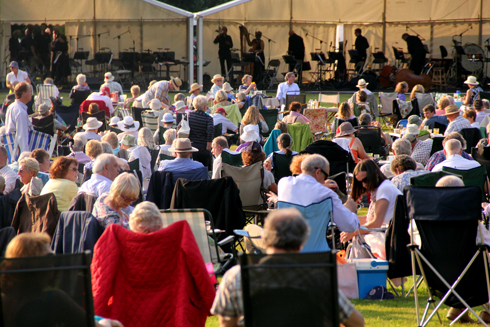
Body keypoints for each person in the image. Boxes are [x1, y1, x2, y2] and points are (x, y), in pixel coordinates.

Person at [211, 207, 365, 327]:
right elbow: (357, 322)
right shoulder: (318, 279)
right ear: (302, 243)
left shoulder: (236, 277)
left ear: (264, 238)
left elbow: (226, 323)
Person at [4, 233, 124, 327]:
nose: (54, 262)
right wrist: (106, 322)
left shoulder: (5, 300)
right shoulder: (53, 299)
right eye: (50, 257)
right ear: (40, 265)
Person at [341, 159, 402, 260]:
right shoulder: (381, 188)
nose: (363, 185)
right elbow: (370, 219)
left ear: (376, 174)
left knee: (358, 236)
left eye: (365, 180)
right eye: (359, 182)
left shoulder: (384, 189)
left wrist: (354, 232)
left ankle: (358, 271)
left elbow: (376, 223)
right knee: (357, 233)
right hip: (388, 233)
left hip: (391, 237)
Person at [177, 96, 214, 170]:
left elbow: (179, 128)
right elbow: (210, 132)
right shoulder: (208, 118)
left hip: (189, 147)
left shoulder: (188, 116)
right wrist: (209, 145)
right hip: (203, 148)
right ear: (205, 107)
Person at [5, 82, 33, 153]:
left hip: (10, 147)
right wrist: (26, 155)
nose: (31, 94)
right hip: (17, 151)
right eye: (29, 92)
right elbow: (22, 136)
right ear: (24, 93)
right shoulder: (21, 112)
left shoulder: (11, 107)